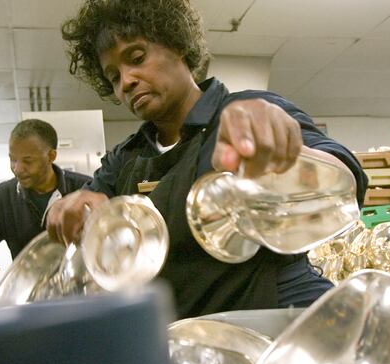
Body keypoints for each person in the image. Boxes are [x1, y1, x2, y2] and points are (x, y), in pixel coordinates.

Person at [49, 0, 367, 318]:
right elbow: (92, 219)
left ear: (179, 48)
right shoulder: (125, 160)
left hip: (277, 317)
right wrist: (79, 210)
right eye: (113, 77)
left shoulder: (248, 111)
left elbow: (344, 186)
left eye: (137, 58)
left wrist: (286, 154)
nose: (127, 81)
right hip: (188, 339)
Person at [0, 119, 92, 266]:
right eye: (13, 159)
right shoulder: (1, 198)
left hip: (84, 286)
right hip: (29, 287)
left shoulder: (85, 189)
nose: (17, 168)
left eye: (28, 161)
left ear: (51, 156)